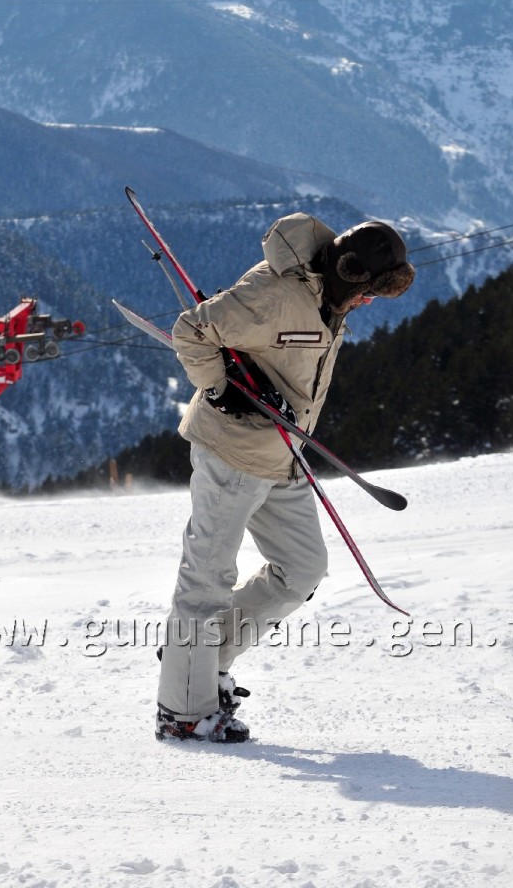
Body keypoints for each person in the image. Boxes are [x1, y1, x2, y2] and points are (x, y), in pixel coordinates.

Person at [156, 212, 415, 742]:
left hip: (281, 450)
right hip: (231, 452)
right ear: (347, 271)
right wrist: (218, 390)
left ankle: (202, 660)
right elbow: (192, 329)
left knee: (301, 569)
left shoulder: (329, 297)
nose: (368, 303)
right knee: (207, 580)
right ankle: (183, 709)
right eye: (367, 292)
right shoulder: (274, 294)